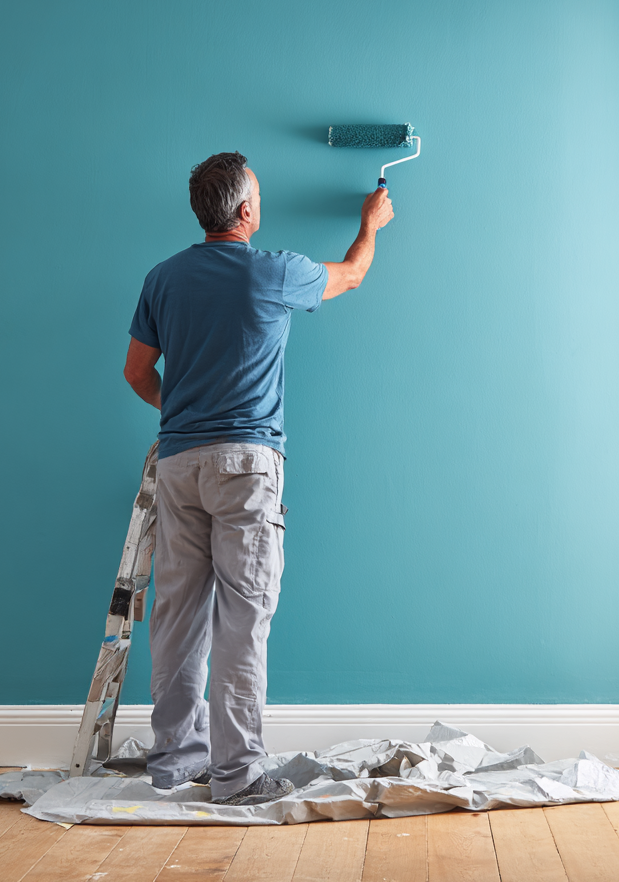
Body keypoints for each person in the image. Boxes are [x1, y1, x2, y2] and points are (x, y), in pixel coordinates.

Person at [123, 151, 393, 805]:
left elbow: (137, 373)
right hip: (246, 465)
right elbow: (353, 276)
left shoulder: (163, 278)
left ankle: (175, 764)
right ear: (246, 211)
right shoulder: (272, 273)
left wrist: (185, 412)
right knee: (244, 617)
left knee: (178, 615)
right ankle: (238, 775)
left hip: (180, 462)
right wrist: (372, 224)